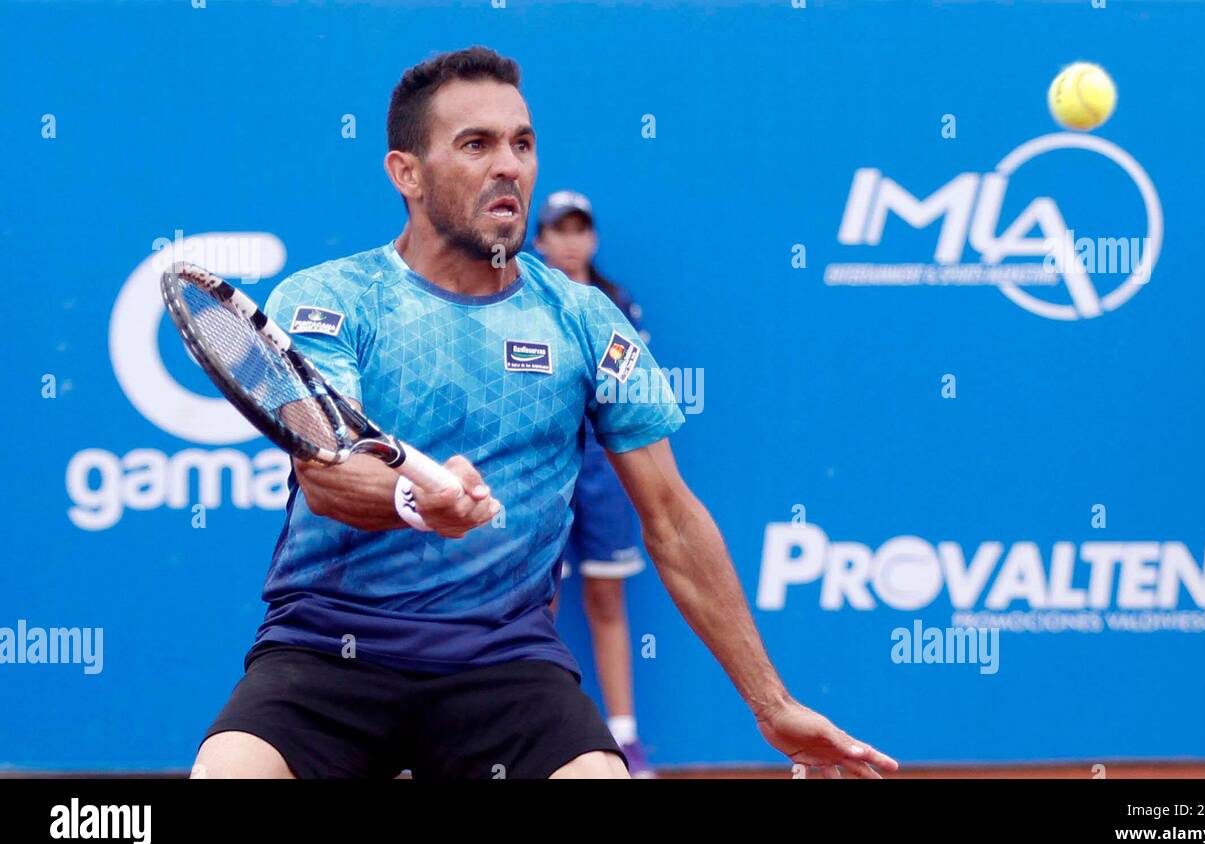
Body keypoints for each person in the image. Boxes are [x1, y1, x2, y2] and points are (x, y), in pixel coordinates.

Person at [192, 45, 897, 780]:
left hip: (501, 661)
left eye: (522, 144)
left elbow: (672, 517)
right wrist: (415, 498)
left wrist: (770, 702)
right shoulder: (333, 299)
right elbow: (328, 477)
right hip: (327, 651)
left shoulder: (585, 320)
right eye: (477, 144)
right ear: (406, 173)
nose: (510, 166)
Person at [534, 191, 655, 776]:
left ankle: (625, 740)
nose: (571, 239)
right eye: (559, 229)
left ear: (593, 239)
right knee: (539, 605)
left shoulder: (617, 305)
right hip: (542, 470)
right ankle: (539, 736)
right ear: (540, 241)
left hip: (605, 475)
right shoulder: (521, 300)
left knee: (607, 599)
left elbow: (628, 397)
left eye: (581, 229)